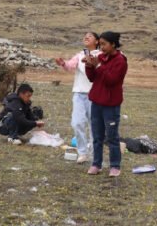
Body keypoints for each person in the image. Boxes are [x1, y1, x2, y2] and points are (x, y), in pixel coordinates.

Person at [83, 31, 127, 177]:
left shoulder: (120, 61)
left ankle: (115, 166)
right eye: (100, 44)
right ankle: (96, 164)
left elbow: (111, 80)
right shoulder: (101, 57)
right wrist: (89, 66)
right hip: (96, 102)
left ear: (113, 44)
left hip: (111, 105)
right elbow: (92, 78)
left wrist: (98, 66)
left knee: (112, 137)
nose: (101, 47)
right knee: (97, 136)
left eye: (104, 44)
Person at [54, 32, 100, 164]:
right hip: (79, 94)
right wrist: (63, 63)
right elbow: (70, 66)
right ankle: (82, 152)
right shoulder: (80, 55)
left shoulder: (101, 55)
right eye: (85, 36)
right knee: (77, 123)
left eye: (90, 36)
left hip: (95, 95)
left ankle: (95, 154)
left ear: (97, 41)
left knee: (94, 126)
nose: (86, 37)